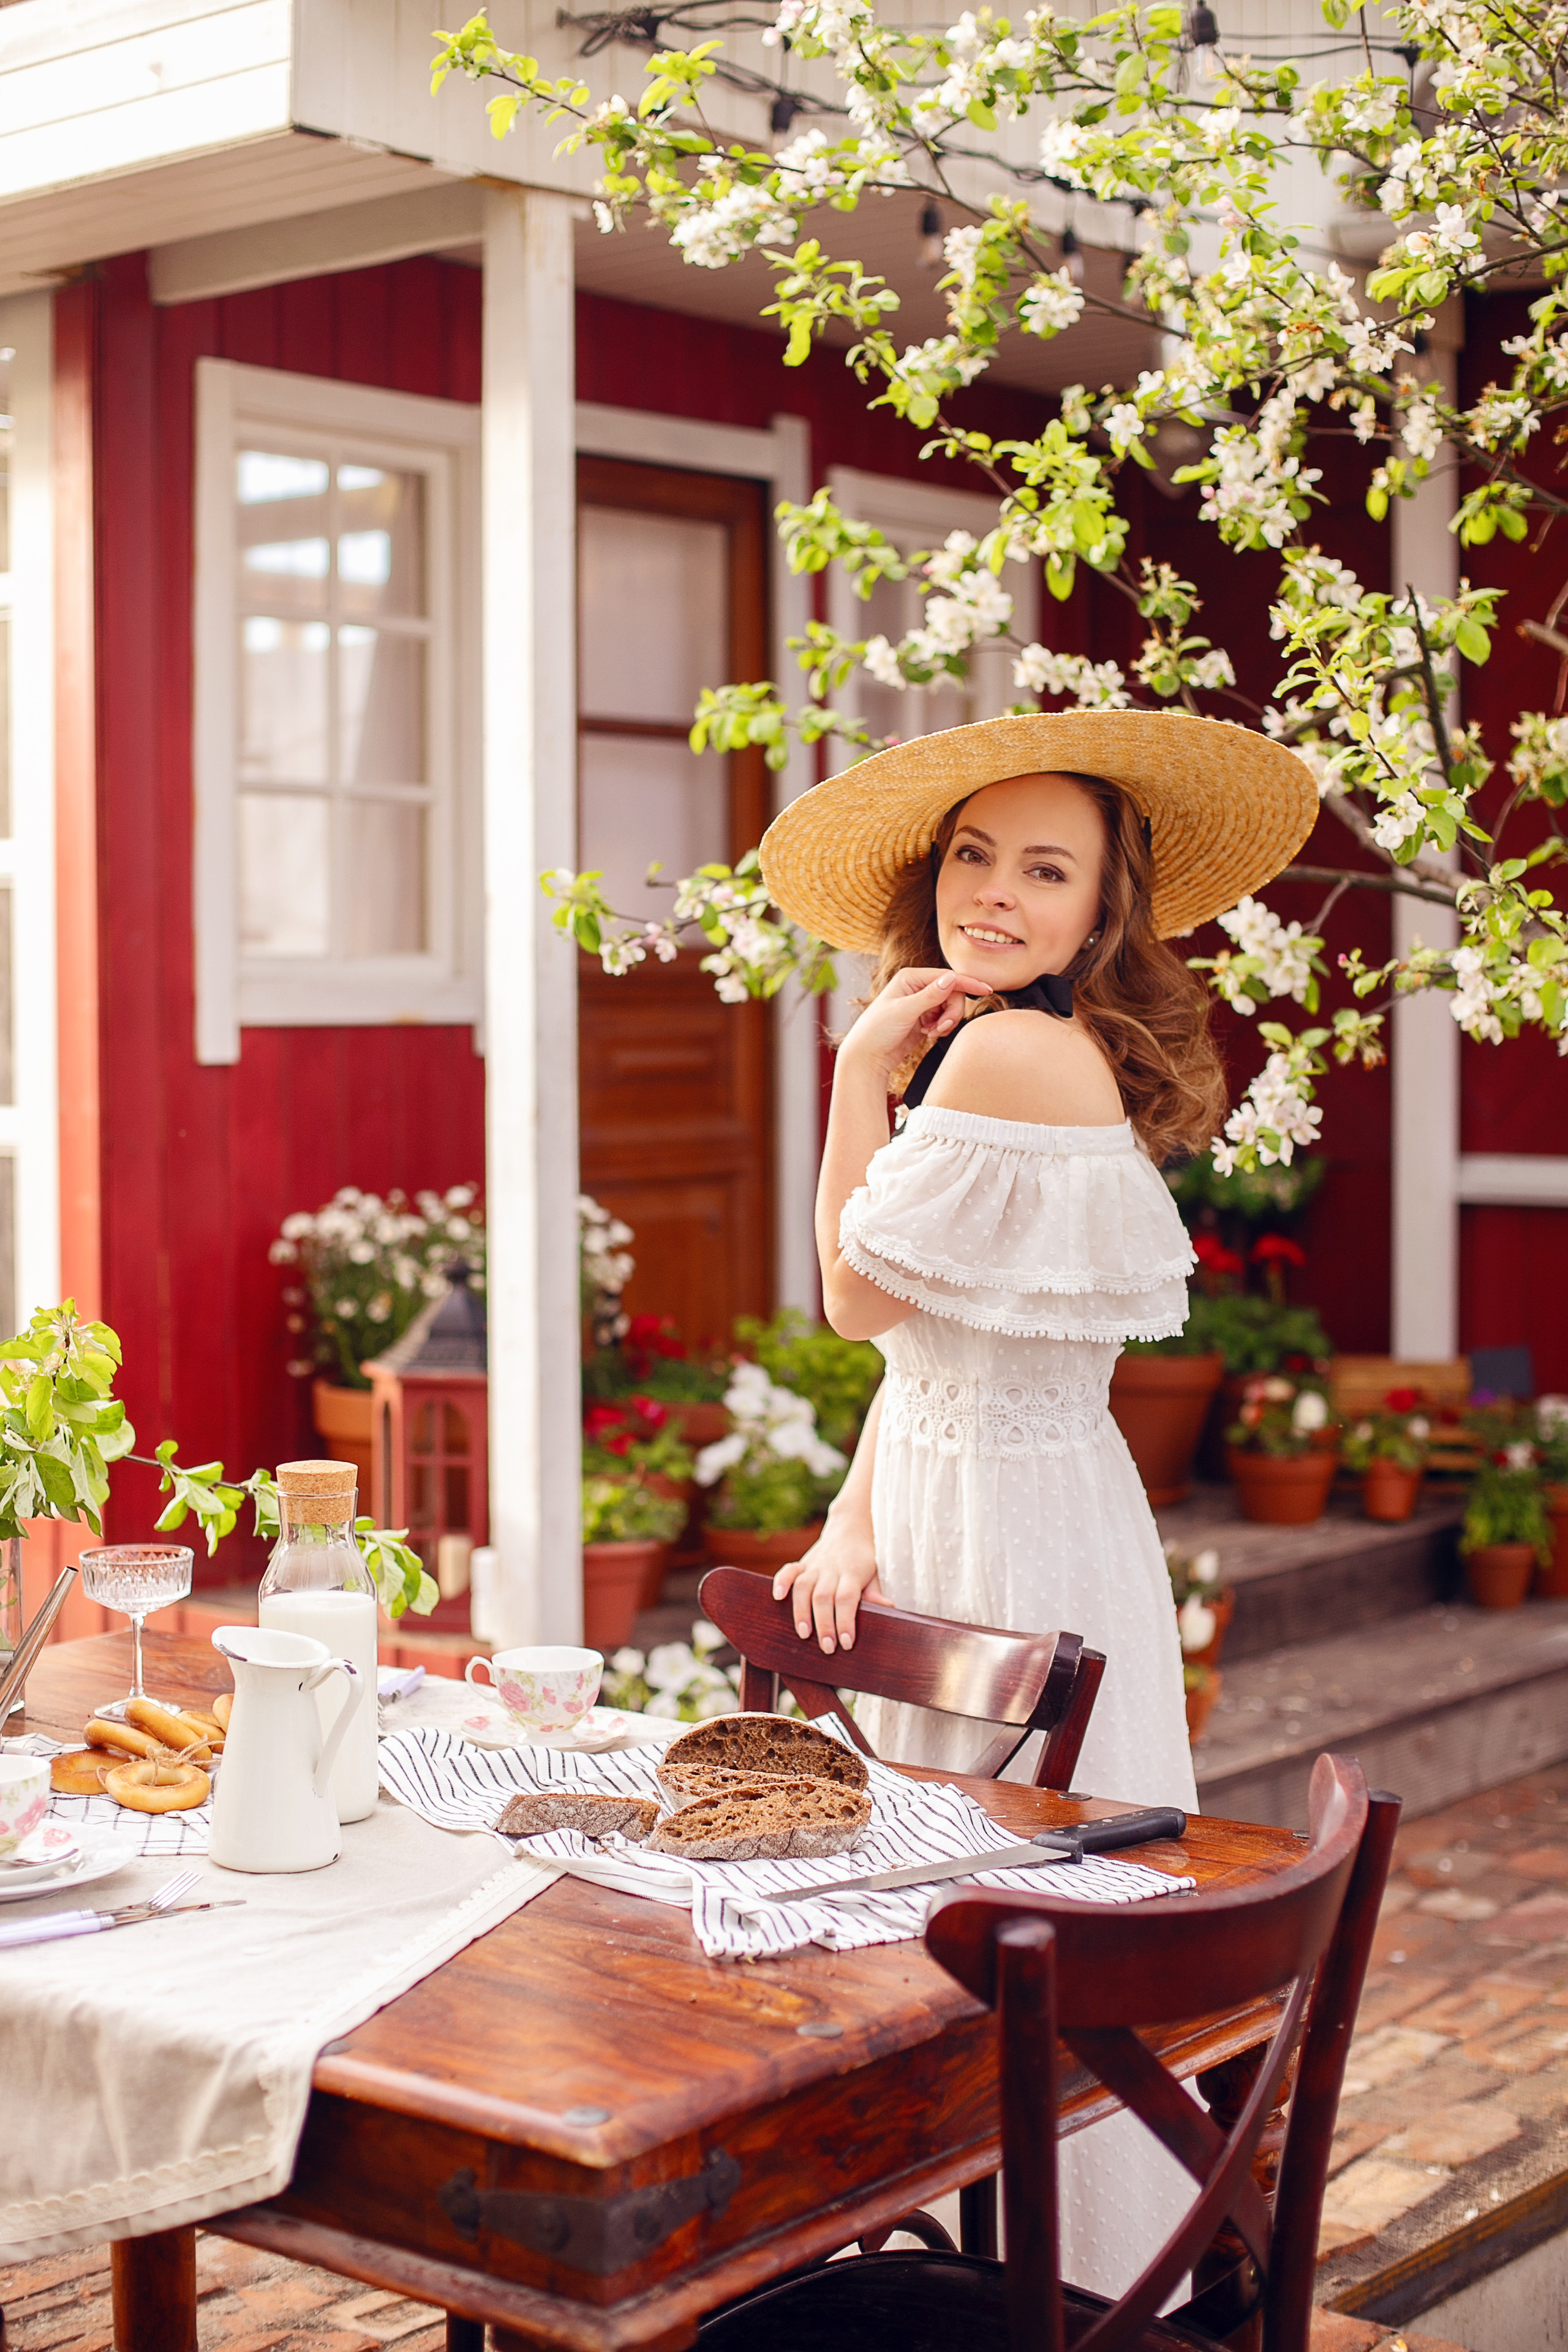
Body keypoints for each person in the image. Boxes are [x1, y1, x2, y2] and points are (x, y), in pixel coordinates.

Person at [755, 707, 1315, 2296]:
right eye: (973, 855)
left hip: (1007, 1527)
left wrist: (860, 1070)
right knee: (985, 1905)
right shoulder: (1023, 1040)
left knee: (1001, 1906)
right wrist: (859, 1508)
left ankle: (1049, 2277)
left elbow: (856, 1299)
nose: (994, 892)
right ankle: (1055, 2269)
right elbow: (950, 1337)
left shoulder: (998, 1051)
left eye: (1043, 869)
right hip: (988, 1489)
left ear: (1100, 909)